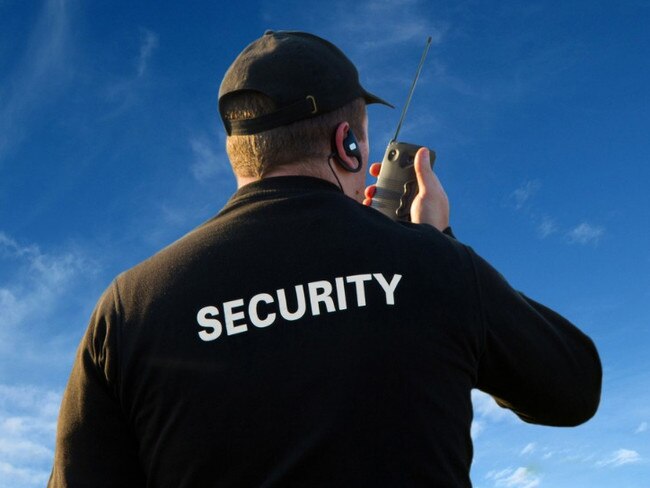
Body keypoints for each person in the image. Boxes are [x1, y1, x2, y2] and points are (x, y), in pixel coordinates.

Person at [48, 30, 601, 487]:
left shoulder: (128, 305)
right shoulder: (435, 264)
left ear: (236, 151)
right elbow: (574, 389)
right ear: (349, 145)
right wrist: (438, 241)